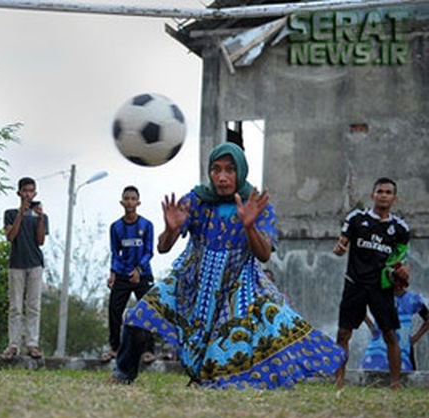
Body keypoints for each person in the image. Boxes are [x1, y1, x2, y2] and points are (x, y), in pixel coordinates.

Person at [109, 142, 345, 389]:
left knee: (223, 348)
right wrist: (171, 229)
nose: (222, 177)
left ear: (240, 171)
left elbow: (264, 255)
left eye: (229, 170)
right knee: (139, 316)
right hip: (190, 281)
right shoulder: (196, 200)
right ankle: (123, 374)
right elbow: (163, 247)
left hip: (236, 288)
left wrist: (249, 226)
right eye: (216, 170)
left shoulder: (256, 204)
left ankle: (205, 379)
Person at [334, 177, 411, 389]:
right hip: (355, 283)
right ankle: (339, 379)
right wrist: (340, 248)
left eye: (388, 192)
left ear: (394, 198)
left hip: (381, 286)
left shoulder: (400, 228)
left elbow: (402, 259)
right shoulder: (357, 218)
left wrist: (403, 272)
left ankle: (395, 383)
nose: (383, 195)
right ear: (372, 195)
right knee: (343, 333)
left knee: (390, 334)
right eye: (380, 191)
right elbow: (341, 243)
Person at [101, 185, 154, 363]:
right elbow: (115, 252)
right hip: (123, 274)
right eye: (127, 198)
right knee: (114, 310)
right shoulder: (116, 227)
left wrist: (139, 269)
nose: (130, 202)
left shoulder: (146, 225)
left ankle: (148, 350)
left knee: (148, 309)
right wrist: (113, 274)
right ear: (122, 202)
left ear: (138, 202)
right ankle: (115, 348)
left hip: (142, 274)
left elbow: (149, 251)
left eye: (133, 199)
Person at [1, 176, 48, 360]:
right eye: (25, 191)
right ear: (19, 193)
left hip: (35, 263)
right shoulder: (10, 213)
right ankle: (13, 344)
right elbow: (10, 236)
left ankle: (32, 343)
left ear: (35, 193)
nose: (28, 194)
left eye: (31, 191)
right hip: (16, 264)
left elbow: (41, 240)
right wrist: (21, 213)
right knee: (15, 307)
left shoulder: (40, 215)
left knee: (33, 306)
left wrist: (41, 218)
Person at [360, 287, 429, 372]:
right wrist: (371, 326)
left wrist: (415, 338)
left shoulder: (413, 299)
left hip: (403, 345)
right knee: (372, 369)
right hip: (379, 345)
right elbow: (358, 305)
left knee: (403, 373)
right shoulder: (379, 295)